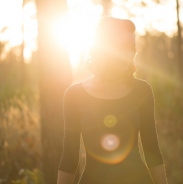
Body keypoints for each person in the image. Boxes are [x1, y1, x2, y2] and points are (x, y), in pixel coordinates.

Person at [57, 17, 168, 184]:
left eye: (132, 48)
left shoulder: (142, 91)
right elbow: (70, 157)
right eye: (122, 47)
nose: (129, 53)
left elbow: (152, 150)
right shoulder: (74, 95)